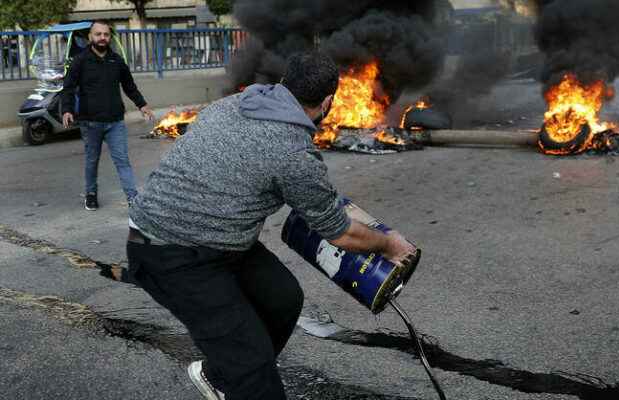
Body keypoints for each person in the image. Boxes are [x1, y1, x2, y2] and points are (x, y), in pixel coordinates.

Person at [127, 53, 417, 400]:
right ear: (327, 102)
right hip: (167, 249)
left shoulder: (235, 102)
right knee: (253, 370)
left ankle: (218, 374)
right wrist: (389, 245)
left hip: (222, 238)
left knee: (283, 299)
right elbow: (340, 233)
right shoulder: (292, 152)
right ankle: (240, 375)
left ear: (284, 85)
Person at [61, 20, 152, 210]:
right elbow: (68, 88)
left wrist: (142, 105)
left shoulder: (116, 60)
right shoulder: (80, 61)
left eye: (106, 34)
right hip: (90, 122)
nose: (102, 38)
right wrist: (67, 110)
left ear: (109, 37)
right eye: (98, 34)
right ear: (90, 37)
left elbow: (129, 86)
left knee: (123, 161)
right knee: (92, 161)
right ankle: (91, 194)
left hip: (115, 122)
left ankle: (132, 198)